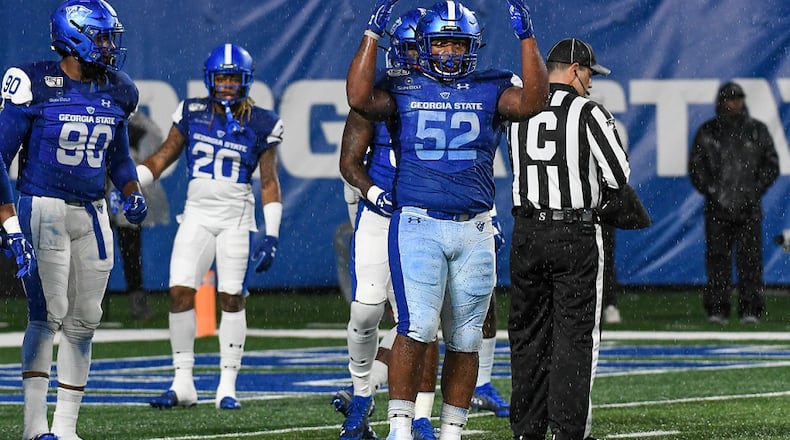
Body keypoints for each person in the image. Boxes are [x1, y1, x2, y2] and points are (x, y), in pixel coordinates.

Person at [346, 1, 548, 438]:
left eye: (459, 44)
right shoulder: (403, 86)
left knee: (467, 337)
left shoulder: (491, 85)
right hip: (418, 223)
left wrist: (527, 38)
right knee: (416, 327)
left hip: (474, 225)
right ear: (425, 44)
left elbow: (534, 101)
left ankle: (452, 432)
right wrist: (371, 34)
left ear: (473, 46)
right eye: (442, 43)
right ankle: (401, 428)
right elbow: (358, 98)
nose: (451, 52)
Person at [0, 1, 147, 438]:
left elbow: (118, 159)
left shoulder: (119, 89)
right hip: (43, 206)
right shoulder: (33, 81)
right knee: (48, 315)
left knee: (85, 320)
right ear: (74, 36)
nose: (109, 47)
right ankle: (33, 427)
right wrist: (9, 225)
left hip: (93, 213)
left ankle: (65, 428)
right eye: (102, 37)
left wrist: (132, 192)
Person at [141, 43, 284, 411]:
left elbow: (269, 182)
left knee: (231, 297)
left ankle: (227, 386)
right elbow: (162, 157)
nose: (227, 85)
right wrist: (129, 184)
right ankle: (183, 382)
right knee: (178, 292)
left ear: (245, 81)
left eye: (233, 79)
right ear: (210, 79)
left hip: (235, 219)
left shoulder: (262, 122)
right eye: (221, 78)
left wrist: (271, 232)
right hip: (197, 216)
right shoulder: (192, 112)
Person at [506, 37, 629, 440]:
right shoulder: (588, 112)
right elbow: (618, 175)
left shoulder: (519, 107)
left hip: (527, 231)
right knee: (575, 338)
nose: (591, 82)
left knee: (528, 335)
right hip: (573, 232)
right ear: (574, 69)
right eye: (589, 73)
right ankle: (567, 430)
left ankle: (527, 430)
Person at [689, 81, 778, 325]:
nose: (735, 103)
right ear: (721, 101)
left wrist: (754, 190)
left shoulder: (757, 130)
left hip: (748, 208)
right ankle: (718, 308)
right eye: (730, 99)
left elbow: (771, 164)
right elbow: (696, 167)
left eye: (738, 99)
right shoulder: (709, 131)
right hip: (718, 208)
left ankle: (751, 309)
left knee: (750, 261)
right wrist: (713, 191)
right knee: (718, 260)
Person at [108, 110, 170, 320]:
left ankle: (137, 302)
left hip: (123, 191)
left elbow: (155, 138)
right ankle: (84, 303)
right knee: (91, 251)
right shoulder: (97, 113)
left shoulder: (132, 118)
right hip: (98, 189)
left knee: (131, 251)